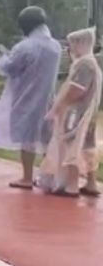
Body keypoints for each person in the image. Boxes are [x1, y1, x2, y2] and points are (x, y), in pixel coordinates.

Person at [0, 6, 61, 189]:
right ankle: (49, 177)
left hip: (27, 97)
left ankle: (27, 177)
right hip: (48, 98)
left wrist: (4, 56)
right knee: (47, 139)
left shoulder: (24, 46)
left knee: (27, 139)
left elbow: (9, 68)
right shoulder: (55, 46)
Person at [38, 28, 101, 197]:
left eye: (72, 44)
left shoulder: (85, 65)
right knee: (87, 146)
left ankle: (70, 186)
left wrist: (59, 107)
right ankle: (90, 183)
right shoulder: (90, 62)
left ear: (81, 44)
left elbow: (76, 90)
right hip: (86, 114)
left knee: (71, 146)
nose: (70, 48)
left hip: (76, 114)